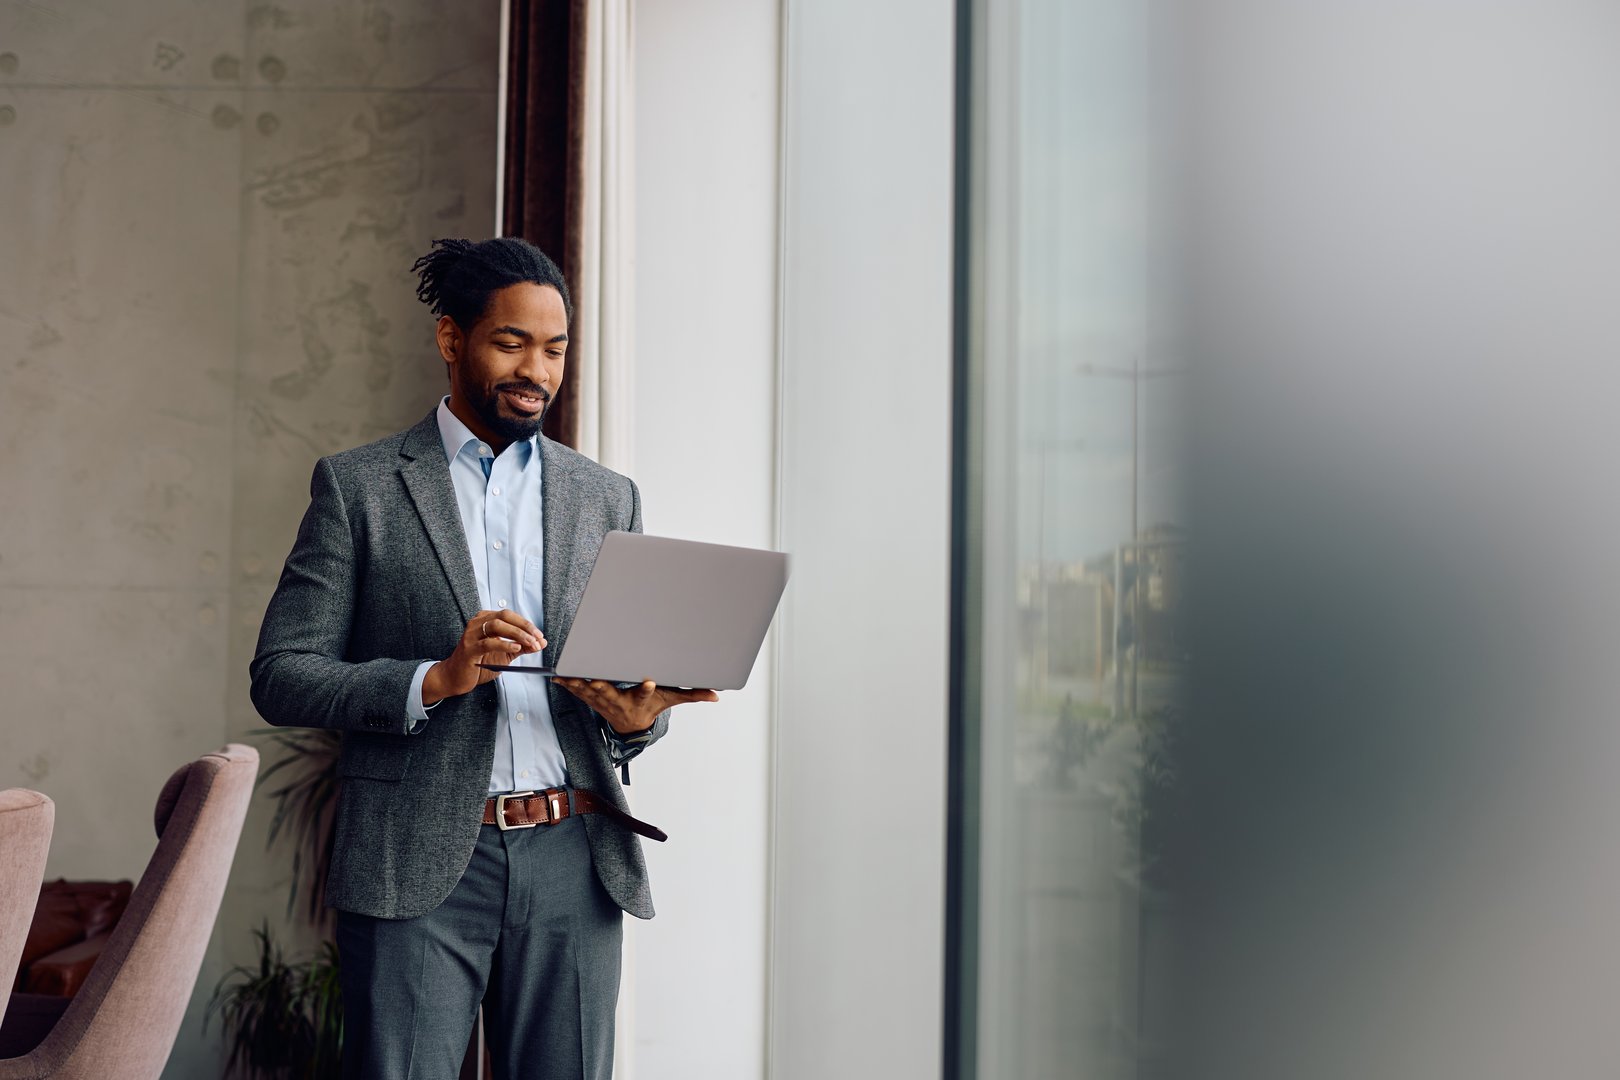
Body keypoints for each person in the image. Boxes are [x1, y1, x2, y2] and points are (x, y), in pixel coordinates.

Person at [250, 237, 716, 1080]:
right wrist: (436, 678)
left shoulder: (607, 497)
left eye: (555, 348)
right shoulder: (359, 489)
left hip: (576, 858)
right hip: (416, 859)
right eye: (511, 342)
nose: (535, 368)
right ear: (451, 338)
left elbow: (625, 694)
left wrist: (636, 723)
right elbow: (282, 672)